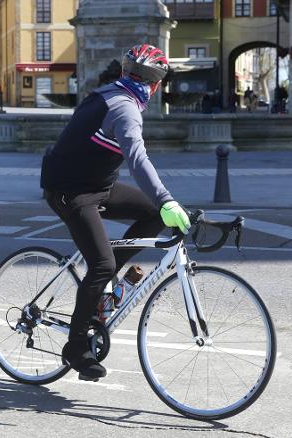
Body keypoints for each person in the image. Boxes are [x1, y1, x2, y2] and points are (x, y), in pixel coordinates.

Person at [40, 44, 191, 381]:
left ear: (127, 72)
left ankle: (107, 282)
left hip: (97, 185)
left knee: (150, 214)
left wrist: (161, 205)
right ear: (156, 84)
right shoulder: (125, 107)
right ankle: (76, 348)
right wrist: (168, 199)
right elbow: (138, 160)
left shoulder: (114, 93)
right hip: (71, 192)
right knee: (102, 263)